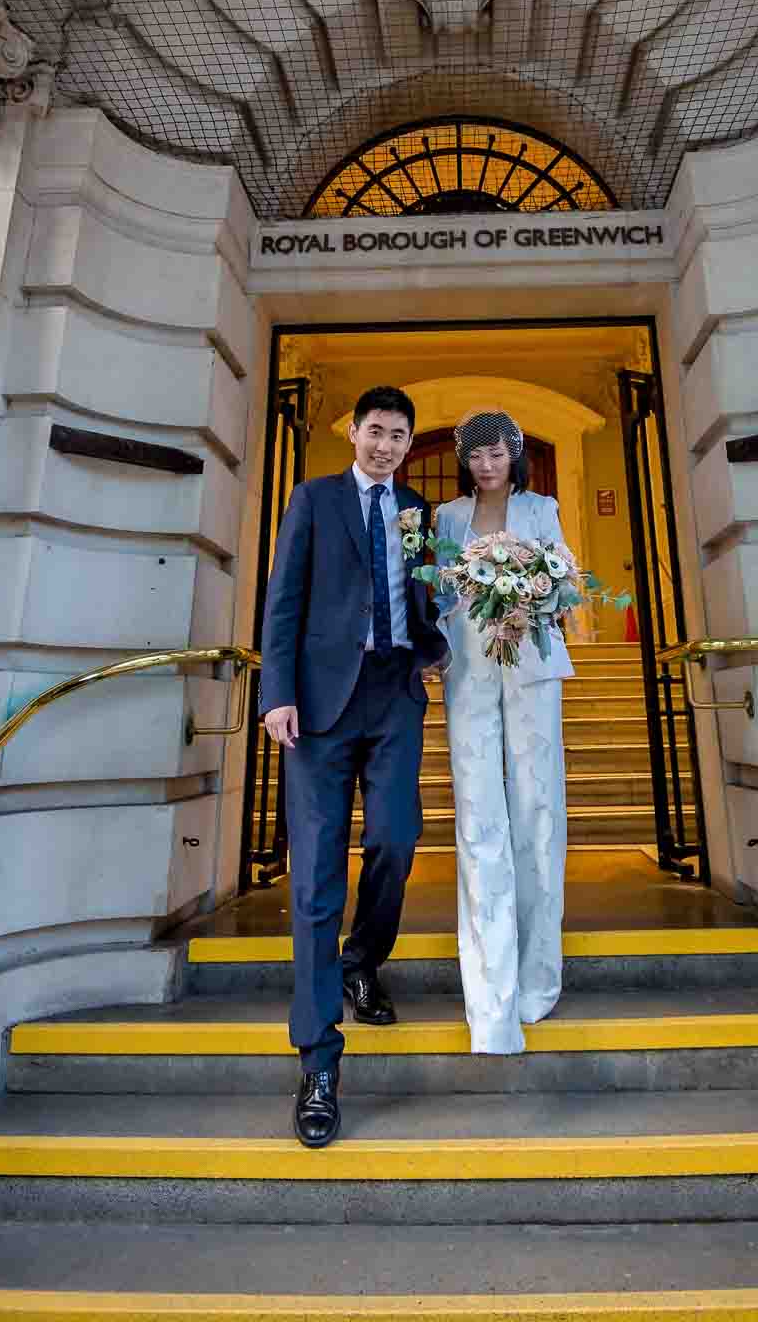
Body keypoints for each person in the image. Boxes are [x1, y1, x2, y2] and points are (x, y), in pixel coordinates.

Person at [260, 386, 447, 1147]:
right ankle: (318, 1061)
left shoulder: (418, 513)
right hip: (319, 707)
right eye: (377, 431)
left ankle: (363, 959)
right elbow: (283, 603)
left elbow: (429, 601)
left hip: (395, 694)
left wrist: (439, 647)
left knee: (397, 838)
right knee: (313, 883)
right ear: (354, 432)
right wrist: (276, 694)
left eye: (400, 435)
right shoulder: (312, 500)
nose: (388, 445)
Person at [434, 409, 574, 1054]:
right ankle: (490, 991)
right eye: (476, 455)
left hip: (533, 666)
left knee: (539, 811)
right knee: (479, 818)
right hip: (467, 671)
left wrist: (532, 593)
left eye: (497, 453)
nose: (486, 465)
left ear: (514, 454)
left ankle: (538, 977)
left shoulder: (542, 508)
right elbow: (436, 595)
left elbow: (566, 584)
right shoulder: (447, 519)